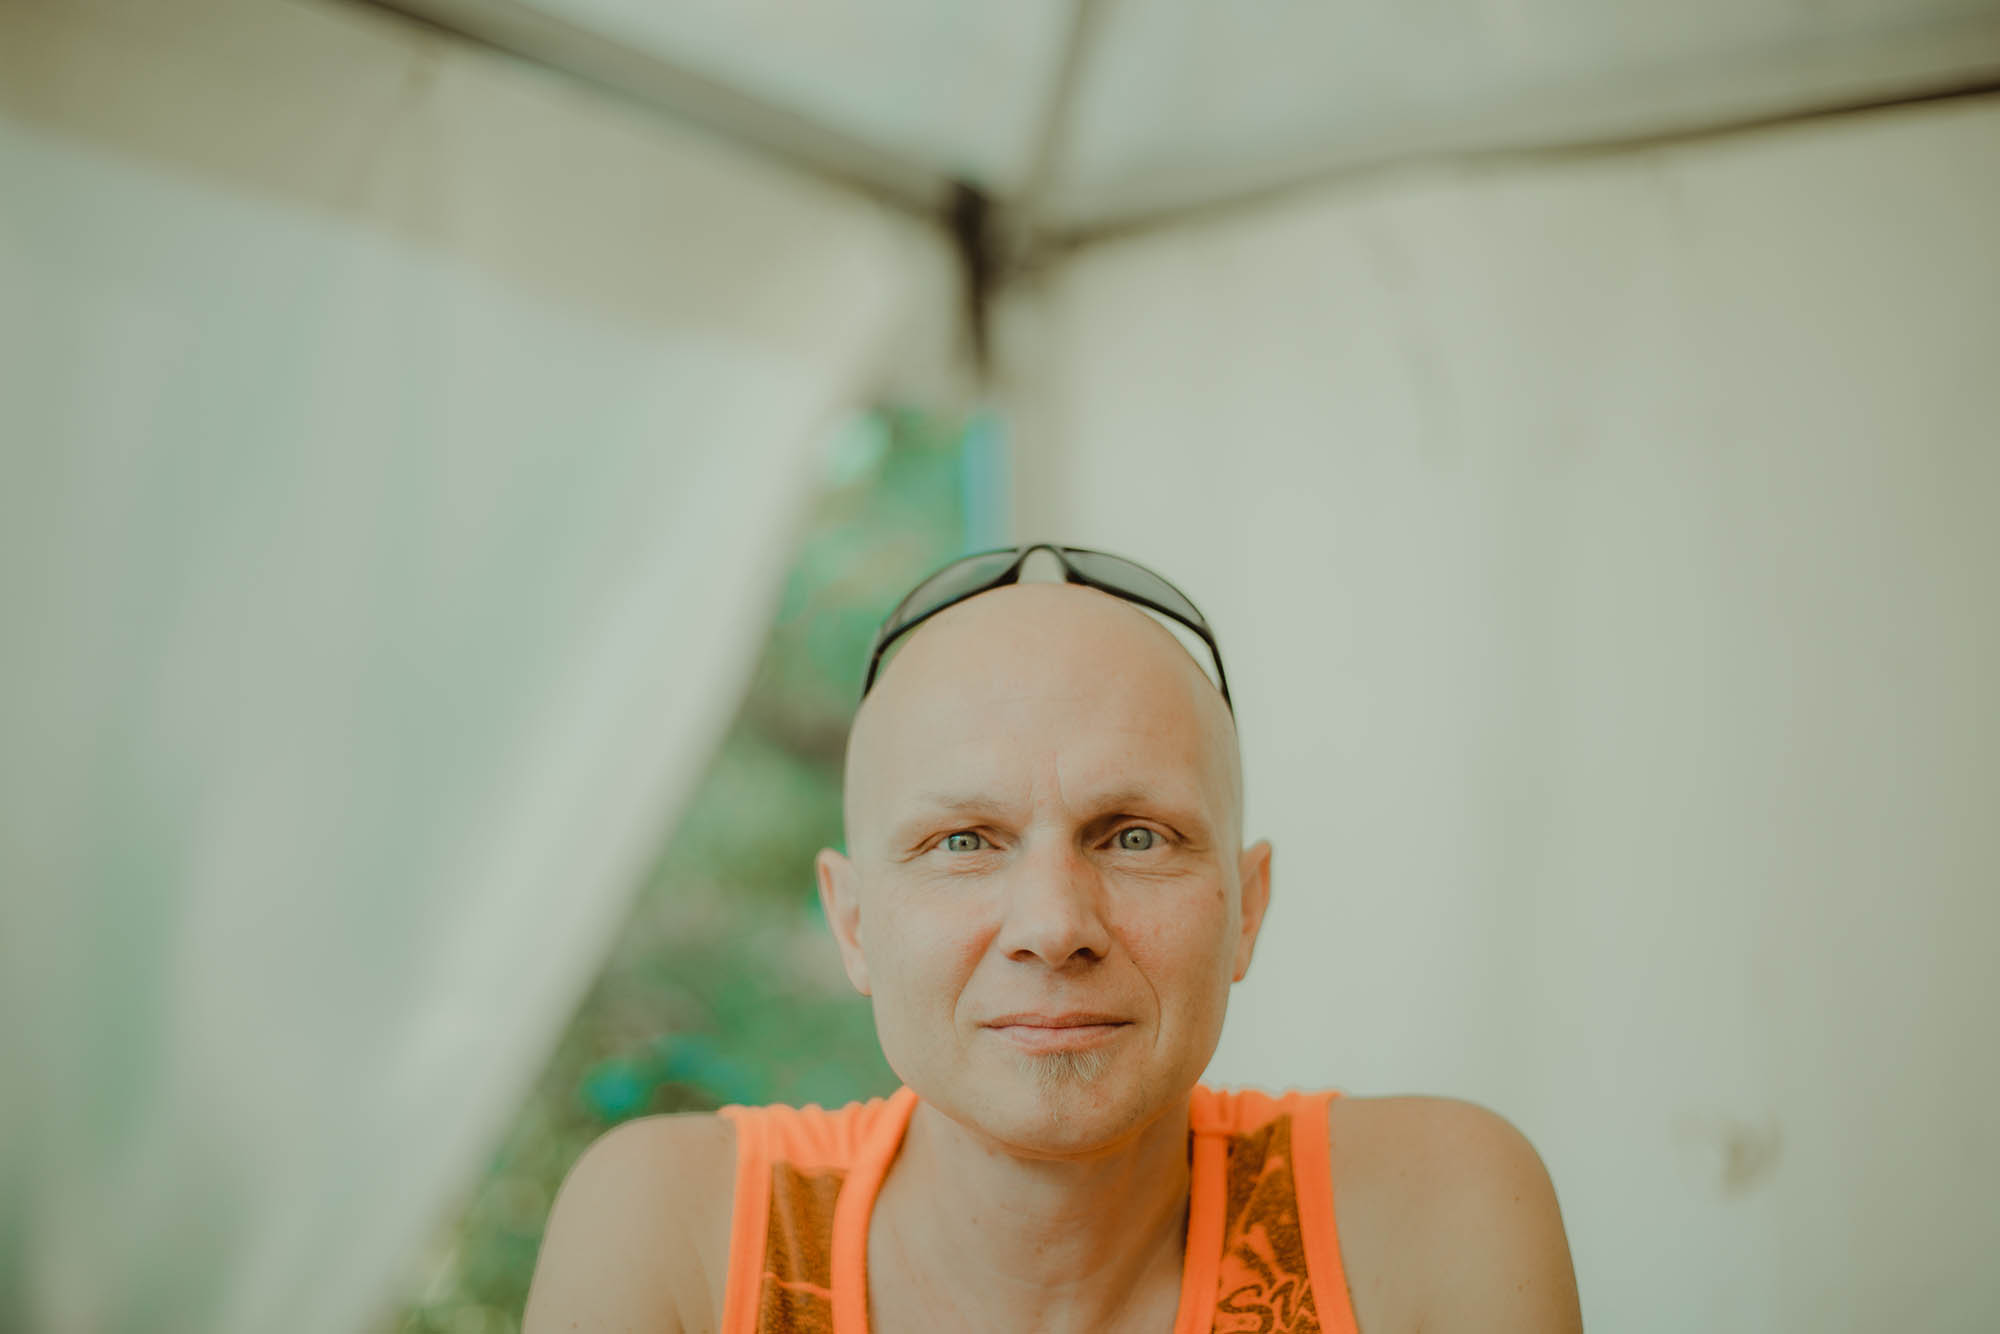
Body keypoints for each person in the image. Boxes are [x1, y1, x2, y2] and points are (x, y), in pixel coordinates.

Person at [524, 544, 1582, 1334]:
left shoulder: (1427, 1218)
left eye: (1133, 836)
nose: (1053, 926)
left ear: (1246, 907)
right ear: (853, 921)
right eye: (962, 841)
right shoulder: (679, 1236)